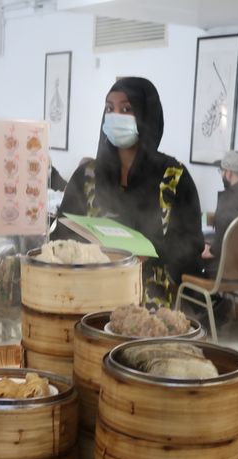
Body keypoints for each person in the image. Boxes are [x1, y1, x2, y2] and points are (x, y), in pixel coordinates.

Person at [58, 77, 203, 304]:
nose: (115, 115)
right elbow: (61, 234)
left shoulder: (174, 177)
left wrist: (152, 252)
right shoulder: (86, 176)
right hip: (88, 295)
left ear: (146, 115)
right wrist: (91, 250)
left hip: (150, 301)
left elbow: (191, 245)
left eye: (126, 109)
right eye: (109, 108)